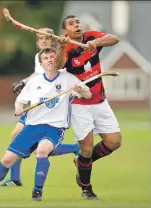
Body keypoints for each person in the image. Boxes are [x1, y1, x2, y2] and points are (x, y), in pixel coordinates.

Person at [0, 47, 92, 201]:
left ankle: (37, 192)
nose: (50, 59)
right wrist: (18, 108)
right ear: (41, 63)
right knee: (6, 160)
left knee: (42, 151)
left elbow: (88, 94)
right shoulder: (35, 81)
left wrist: (81, 90)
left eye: (53, 56)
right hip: (31, 127)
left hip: (54, 128)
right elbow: (20, 101)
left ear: (57, 59)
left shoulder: (68, 78)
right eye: (46, 58)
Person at [0, 28, 80, 187]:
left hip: (50, 108)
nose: (42, 41)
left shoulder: (55, 57)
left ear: (53, 40)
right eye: (39, 38)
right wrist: (23, 81)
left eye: (46, 38)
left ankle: (74, 148)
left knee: (38, 148)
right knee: (18, 136)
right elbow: (38, 74)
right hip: (36, 106)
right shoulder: (39, 56)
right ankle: (15, 178)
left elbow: (56, 74)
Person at [55, 15, 121, 200]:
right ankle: (86, 188)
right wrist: (60, 47)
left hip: (100, 101)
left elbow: (114, 39)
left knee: (114, 142)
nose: (76, 25)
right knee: (86, 147)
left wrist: (97, 42)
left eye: (77, 22)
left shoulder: (91, 37)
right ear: (65, 31)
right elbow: (58, 65)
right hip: (79, 105)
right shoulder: (65, 47)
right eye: (71, 24)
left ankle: (81, 162)